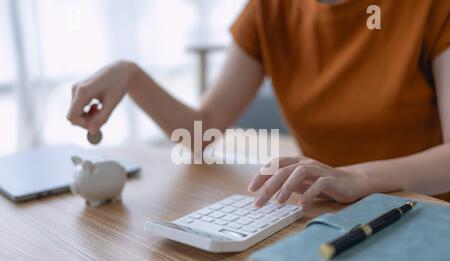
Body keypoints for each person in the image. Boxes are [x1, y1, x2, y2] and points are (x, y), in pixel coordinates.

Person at [67, 0, 450, 208]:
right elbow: (201, 132)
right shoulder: (268, 10)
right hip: (325, 213)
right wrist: (131, 75)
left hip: (427, 215)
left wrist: (358, 178)